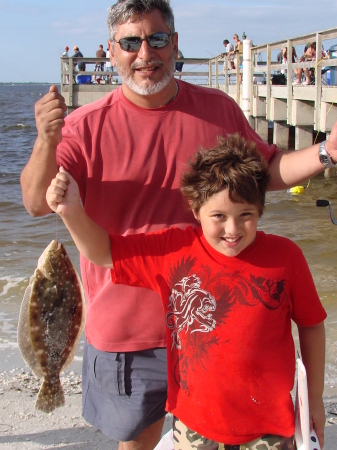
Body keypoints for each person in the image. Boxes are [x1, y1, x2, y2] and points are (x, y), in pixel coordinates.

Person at [20, 0, 337, 448]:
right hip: (128, 332)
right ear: (112, 51)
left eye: (157, 38)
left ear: (175, 45)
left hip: (211, 321)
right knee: (137, 441)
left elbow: (263, 173)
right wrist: (47, 140)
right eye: (131, 42)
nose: (145, 53)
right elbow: (36, 202)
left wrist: (328, 152)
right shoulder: (83, 126)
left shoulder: (217, 109)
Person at [46, 134, 326, 450]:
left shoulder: (286, 257)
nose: (232, 229)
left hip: (270, 427)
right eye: (218, 216)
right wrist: (71, 210)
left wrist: (313, 398)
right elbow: (104, 252)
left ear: (260, 209)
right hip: (194, 426)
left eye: (245, 215)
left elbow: (312, 325)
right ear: (195, 209)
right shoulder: (174, 251)